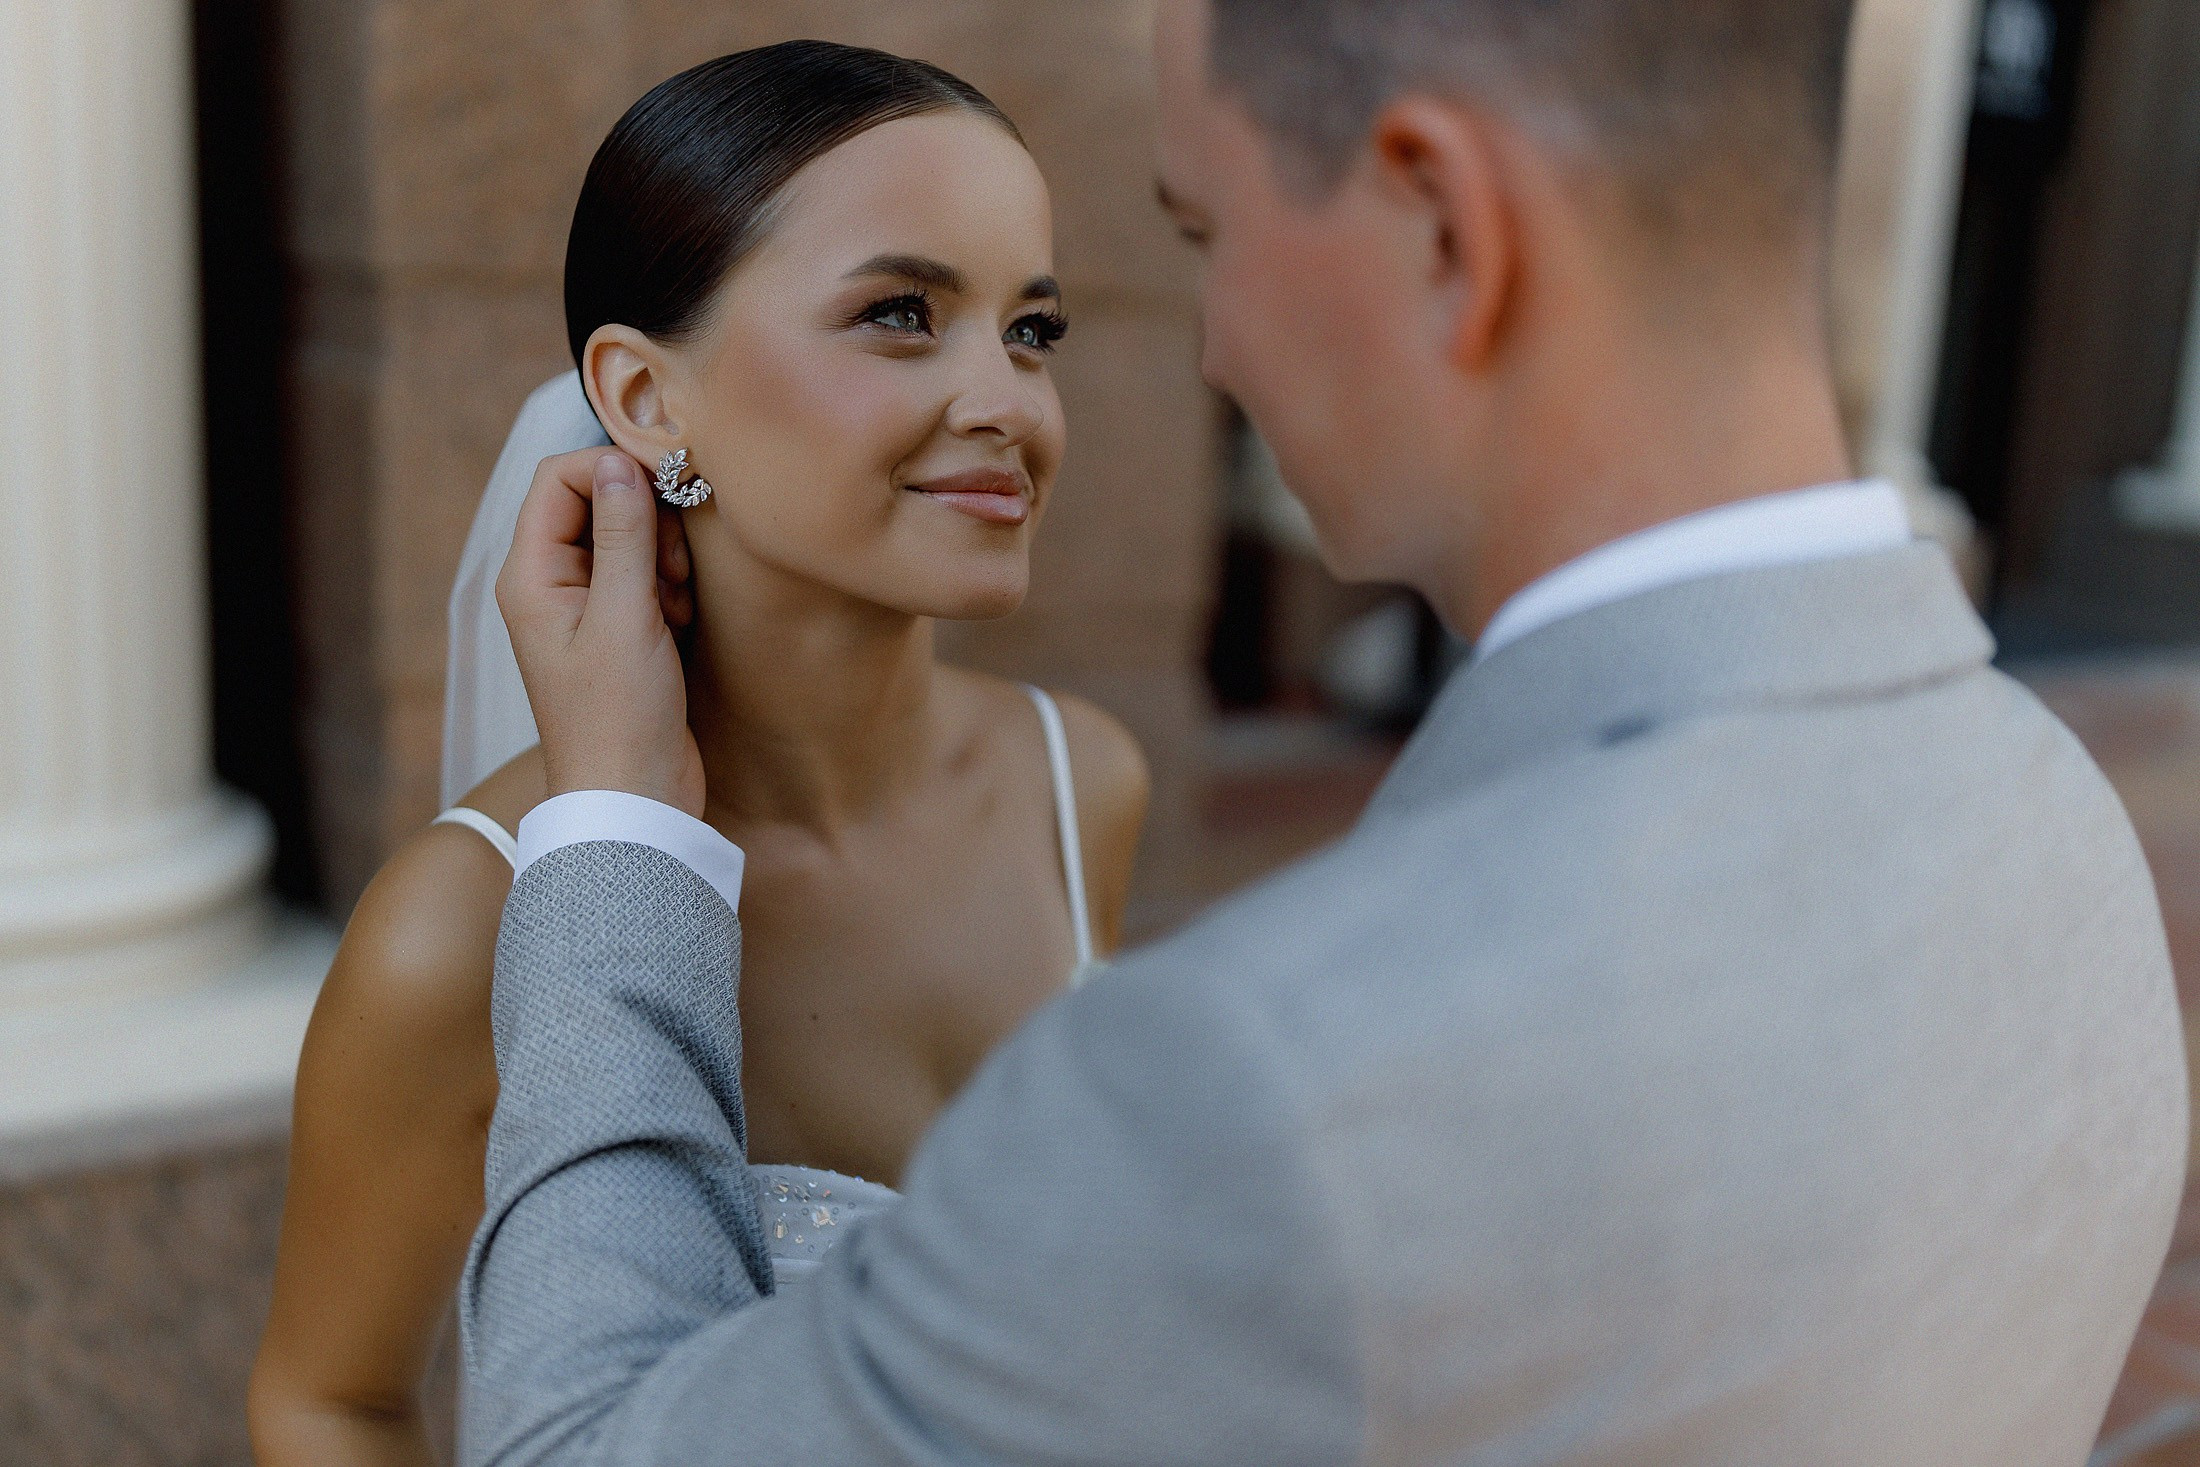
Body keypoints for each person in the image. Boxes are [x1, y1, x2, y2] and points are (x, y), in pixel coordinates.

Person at [464, 1, 2191, 1462]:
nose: (1210, 349)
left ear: (1444, 226)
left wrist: (616, 834)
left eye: (1208, 233)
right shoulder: (2066, 834)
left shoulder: (1253, 1090)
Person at [246, 43, 1148, 1467]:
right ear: (648, 399)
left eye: (1032, 330)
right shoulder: (459, 930)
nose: (1007, 405)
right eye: (903, 313)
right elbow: (333, 1398)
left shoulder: (1078, 781)